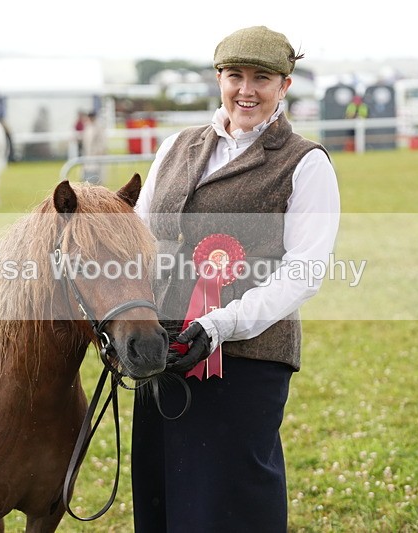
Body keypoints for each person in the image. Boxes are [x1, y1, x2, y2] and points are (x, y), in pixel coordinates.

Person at [131, 26, 340, 532]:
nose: (246, 89)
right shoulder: (176, 147)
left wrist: (222, 323)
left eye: (261, 78)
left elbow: (305, 270)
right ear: (218, 79)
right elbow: (139, 235)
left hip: (246, 360)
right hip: (165, 352)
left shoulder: (305, 162)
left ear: (284, 85)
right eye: (235, 76)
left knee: (226, 510)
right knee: (162, 501)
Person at [81, 110, 106, 184]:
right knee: (87, 171)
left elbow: (102, 141)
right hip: (88, 153)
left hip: (97, 154)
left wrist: (100, 151)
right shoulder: (87, 126)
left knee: (98, 172)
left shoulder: (99, 127)